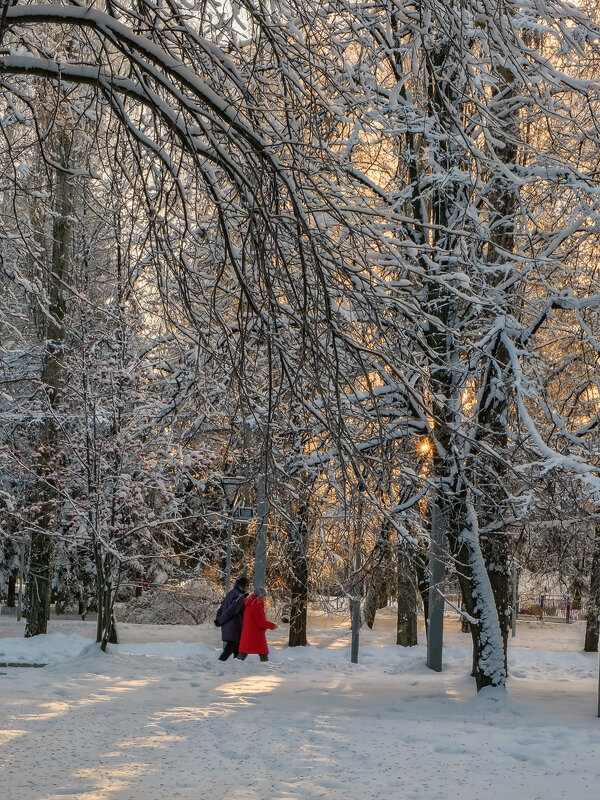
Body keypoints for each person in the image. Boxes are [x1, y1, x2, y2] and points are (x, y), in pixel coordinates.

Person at [237, 586, 278, 662]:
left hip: (247, 634)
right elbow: (261, 623)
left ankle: (236, 666)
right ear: (260, 597)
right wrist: (273, 626)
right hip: (255, 634)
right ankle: (265, 667)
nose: (265, 599)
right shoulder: (257, 606)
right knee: (263, 652)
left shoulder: (249, 606)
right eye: (264, 597)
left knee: (244, 652)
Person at [215, 576, 248, 661]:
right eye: (247, 586)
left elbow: (221, 609)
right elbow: (231, 611)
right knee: (229, 650)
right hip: (234, 628)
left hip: (228, 627)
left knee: (237, 649)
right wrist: (220, 621)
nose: (248, 588)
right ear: (241, 586)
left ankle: (236, 667)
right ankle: (218, 665)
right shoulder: (239, 597)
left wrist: (219, 619)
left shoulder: (231, 593)